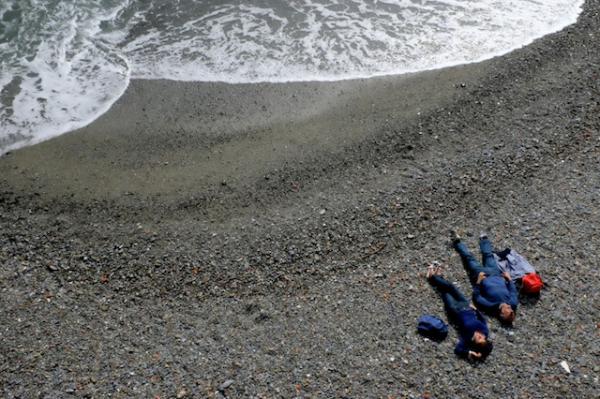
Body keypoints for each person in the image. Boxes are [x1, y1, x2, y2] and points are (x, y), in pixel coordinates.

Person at [427, 266, 493, 361]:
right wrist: (476, 310)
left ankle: (435, 277)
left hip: (454, 310)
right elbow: (482, 319)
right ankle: (434, 277)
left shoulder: (467, 339)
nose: (480, 336)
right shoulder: (485, 331)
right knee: (451, 287)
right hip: (466, 305)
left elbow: (458, 350)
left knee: (445, 292)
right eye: (483, 337)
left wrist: (469, 353)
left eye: (479, 339)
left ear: (475, 343)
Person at [451, 232, 518, 325]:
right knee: (488, 255)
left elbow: (477, 297)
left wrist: (478, 281)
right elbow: (513, 291)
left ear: (502, 314)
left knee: (469, 258)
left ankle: (457, 242)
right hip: (496, 274)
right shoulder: (512, 303)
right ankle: (484, 240)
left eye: (508, 310)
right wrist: (509, 279)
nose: (510, 307)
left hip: (482, 276)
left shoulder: (490, 306)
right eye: (511, 309)